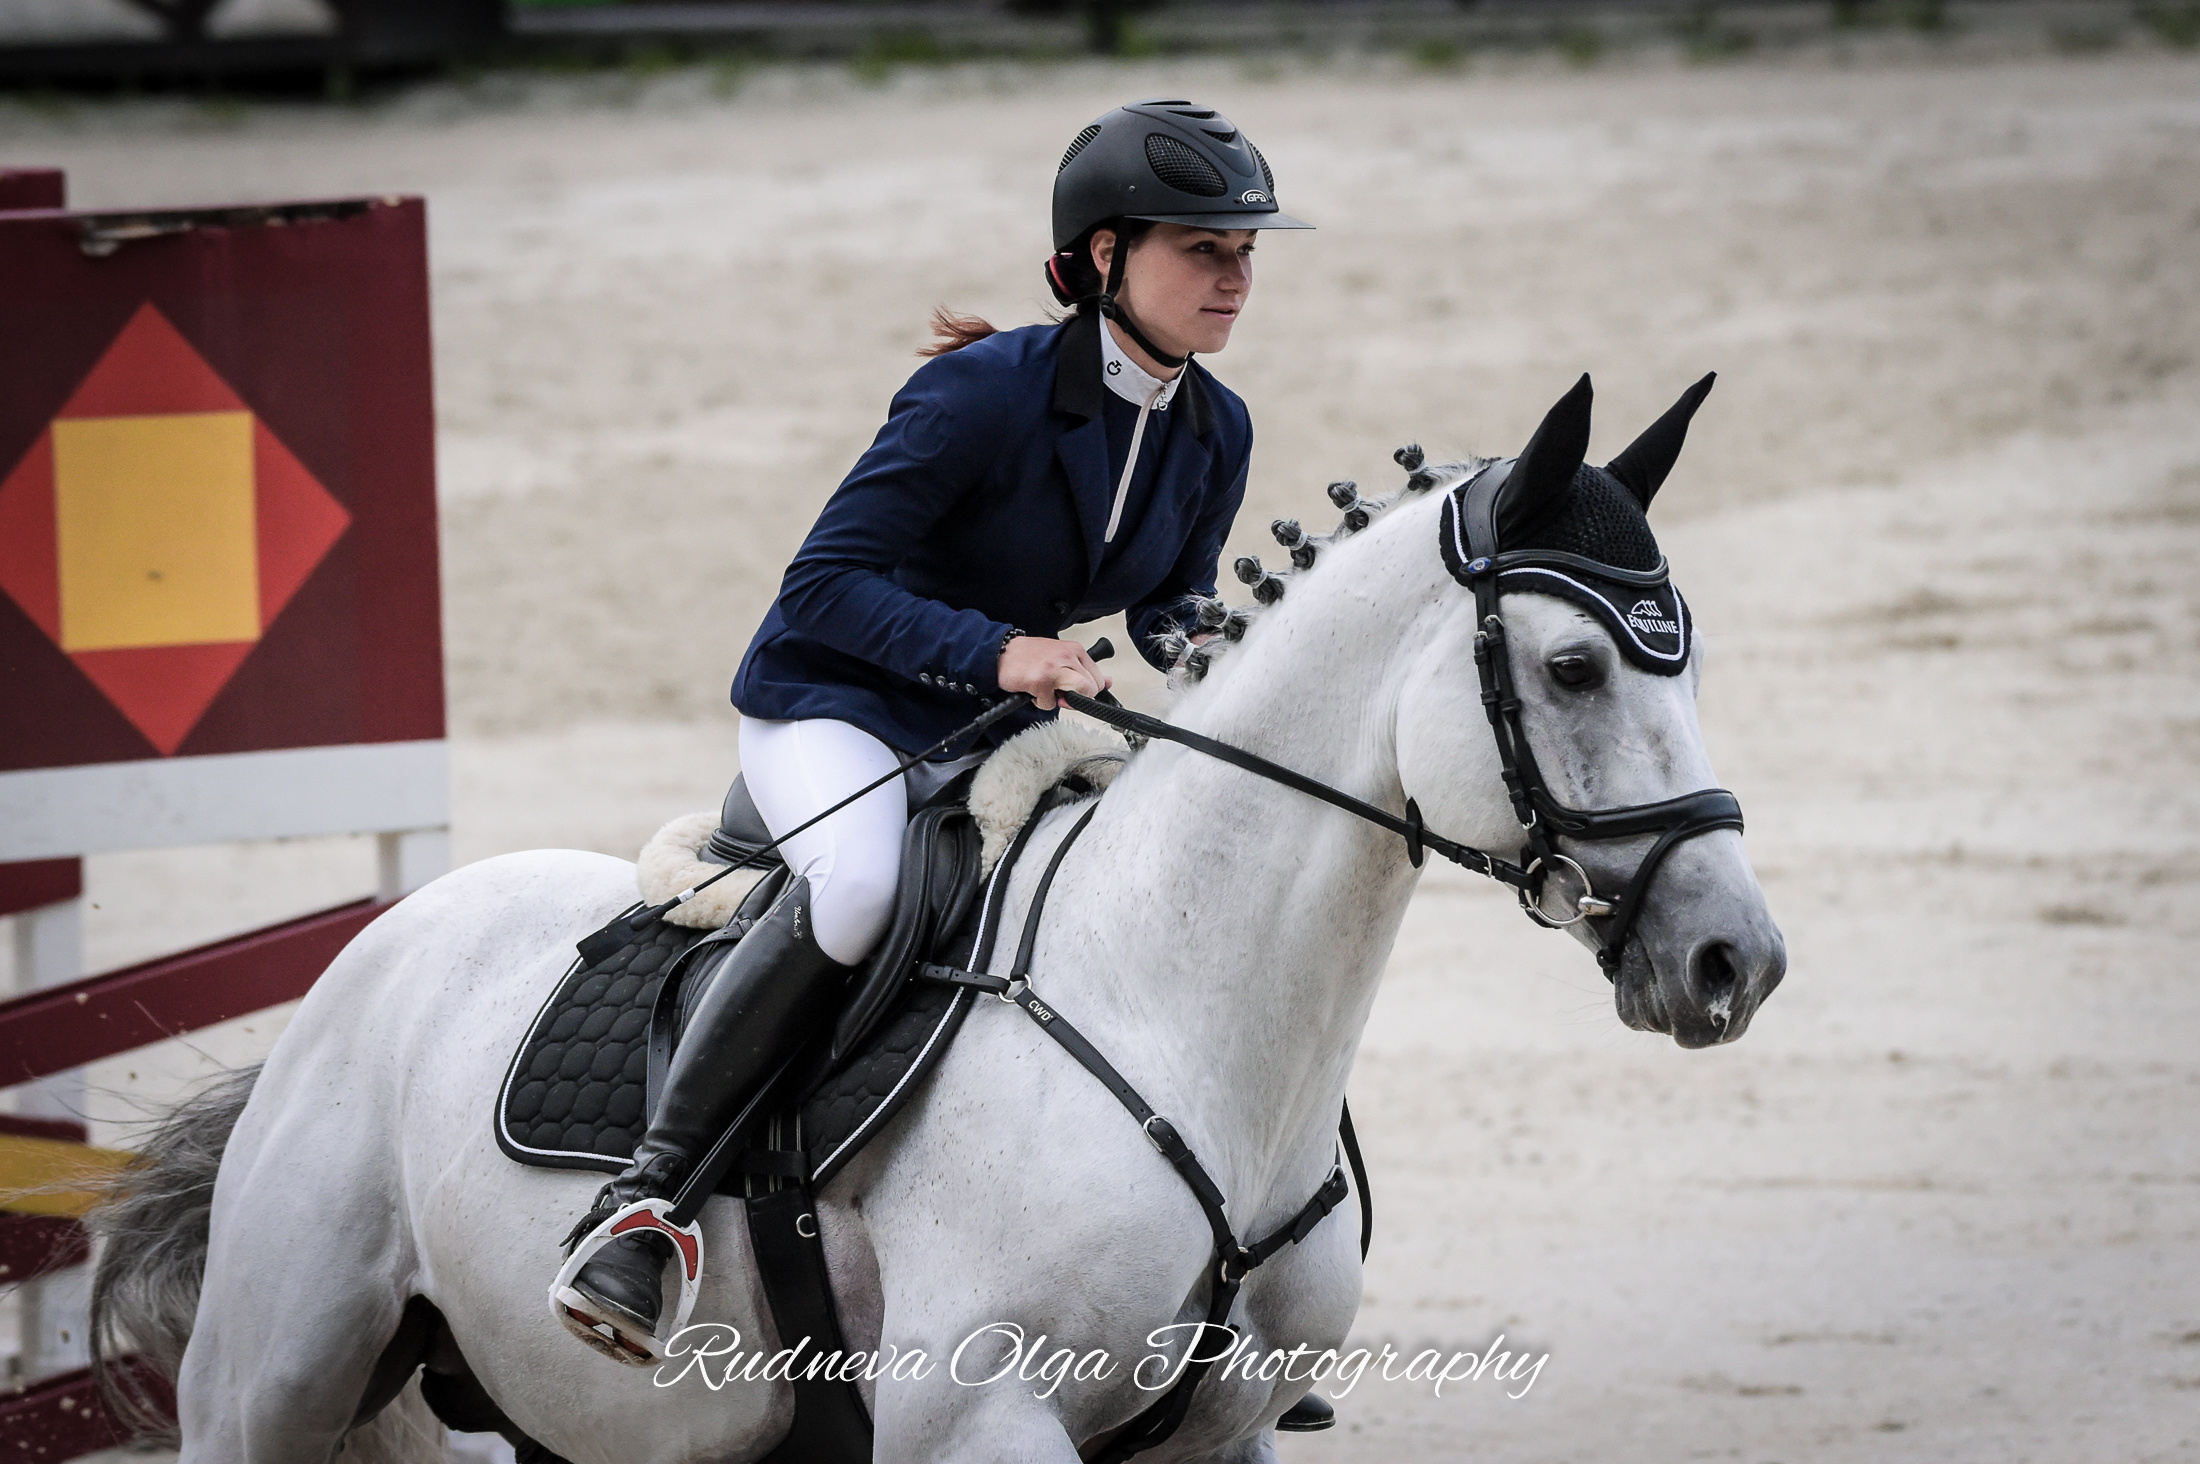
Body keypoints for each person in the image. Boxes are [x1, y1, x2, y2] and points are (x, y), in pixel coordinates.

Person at [559, 102, 1328, 1429]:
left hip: (992, 731)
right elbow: (822, 585)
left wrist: (1220, 647)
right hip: (835, 707)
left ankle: (1219, 1274)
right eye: (1203, 250)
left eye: (1246, 254)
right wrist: (1001, 653)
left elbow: (1167, 604)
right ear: (1099, 258)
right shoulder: (977, 395)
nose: (1234, 279)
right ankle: (650, 1201)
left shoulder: (1217, 428)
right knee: (858, 891)